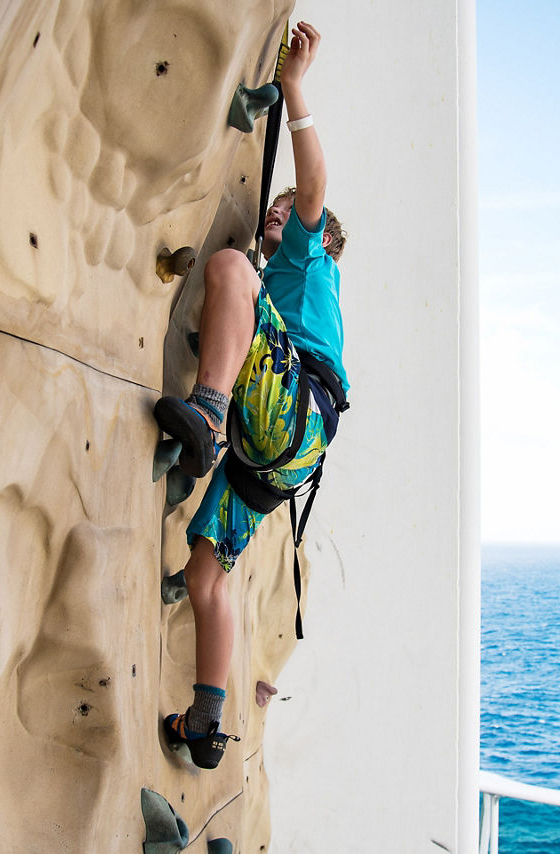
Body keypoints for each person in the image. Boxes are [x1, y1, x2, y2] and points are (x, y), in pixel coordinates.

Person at [154, 20, 349, 770]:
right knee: (207, 571)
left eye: (291, 212)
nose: (281, 211)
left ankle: (205, 411)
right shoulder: (295, 285)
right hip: (280, 461)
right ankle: (207, 720)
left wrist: (293, 88)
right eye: (280, 208)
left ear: (318, 238)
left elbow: (316, 191)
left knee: (233, 269)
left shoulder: (308, 260)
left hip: (289, 419)